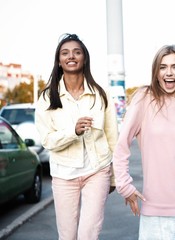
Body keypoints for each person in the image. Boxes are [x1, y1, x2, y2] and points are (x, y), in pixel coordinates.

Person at [112, 44, 175, 239]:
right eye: (163, 67)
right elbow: (121, 146)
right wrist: (124, 185)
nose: (169, 72)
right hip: (155, 208)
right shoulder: (144, 99)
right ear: (156, 72)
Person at [35, 33, 119, 240]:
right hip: (64, 175)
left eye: (76, 52)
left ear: (84, 58)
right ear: (59, 61)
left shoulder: (100, 94)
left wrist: (115, 176)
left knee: (88, 234)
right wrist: (72, 132)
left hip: (97, 171)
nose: (71, 56)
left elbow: (112, 137)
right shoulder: (47, 98)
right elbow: (47, 140)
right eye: (65, 53)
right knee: (68, 235)